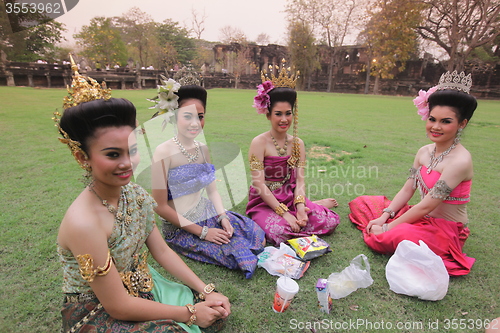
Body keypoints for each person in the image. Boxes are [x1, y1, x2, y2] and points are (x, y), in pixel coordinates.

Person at [54, 61, 230, 332]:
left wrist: (206, 290)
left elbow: (160, 250)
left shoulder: (134, 194)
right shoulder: (84, 223)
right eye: (113, 154)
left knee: (214, 310)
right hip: (99, 308)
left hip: (140, 283)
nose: (128, 163)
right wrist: (191, 313)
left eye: (133, 149)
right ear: (82, 157)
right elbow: (117, 306)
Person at [349, 71, 477, 276]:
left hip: (445, 231)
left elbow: (427, 205)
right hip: (419, 217)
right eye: (432, 119)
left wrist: (389, 228)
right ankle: (389, 226)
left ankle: (393, 232)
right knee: (362, 203)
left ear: (462, 123)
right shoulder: (424, 151)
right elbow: (408, 188)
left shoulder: (460, 161)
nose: (435, 127)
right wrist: (385, 217)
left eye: (446, 121)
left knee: (386, 238)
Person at [150, 78, 265, 279]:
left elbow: (212, 190)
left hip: (206, 211)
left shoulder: (202, 149)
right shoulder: (163, 152)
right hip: (180, 227)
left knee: (253, 233)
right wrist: (203, 232)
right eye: (188, 116)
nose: (195, 123)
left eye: (200, 116)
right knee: (236, 253)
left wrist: (222, 217)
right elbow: (159, 206)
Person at [246, 64, 340, 246]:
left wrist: (299, 208)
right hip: (265, 200)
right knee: (280, 232)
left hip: (290, 196)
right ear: (268, 114)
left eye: (288, 113)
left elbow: (300, 181)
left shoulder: (298, 143)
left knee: (331, 221)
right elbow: (259, 184)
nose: (284, 119)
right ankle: (313, 205)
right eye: (278, 114)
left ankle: (312, 205)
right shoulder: (258, 143)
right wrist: (286, 214)